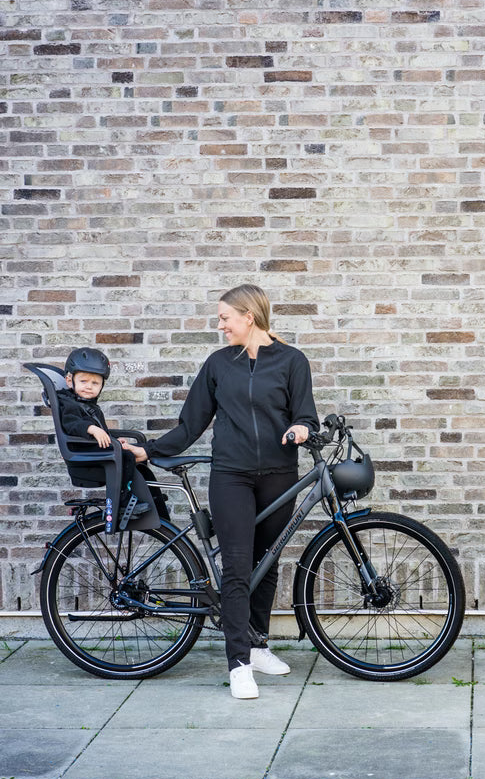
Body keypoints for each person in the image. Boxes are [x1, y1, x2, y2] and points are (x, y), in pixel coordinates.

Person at [125, 285, 319, 700]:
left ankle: (258, 645)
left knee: (266, 561)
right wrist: (150, 450)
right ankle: (238, 664)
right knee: (236, 566)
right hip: (231, 475)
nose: (220, 325)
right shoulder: (218, 364)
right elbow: (191, 424)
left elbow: (306, 415)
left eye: (225, 318)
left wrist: (302, 429)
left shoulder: (292, 361)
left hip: (280, 474)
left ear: (249, 316)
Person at [57, 347, 166, 524]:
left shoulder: (90, 406)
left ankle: (151, 498)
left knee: (135, 454)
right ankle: (123, 502)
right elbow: (71, 424)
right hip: (85, 459)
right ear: (70, 380)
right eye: (83, 381)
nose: (89, 386)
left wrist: (113, 441)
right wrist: (91, 429)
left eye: (95, 383)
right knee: (127, 457)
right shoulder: (69, 404)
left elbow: (102, 435)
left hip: (93, 453)